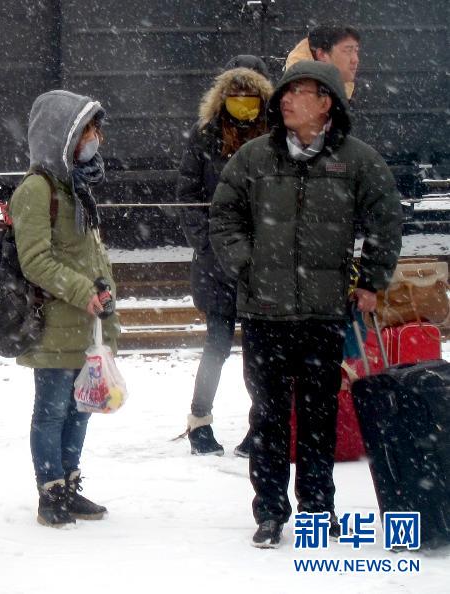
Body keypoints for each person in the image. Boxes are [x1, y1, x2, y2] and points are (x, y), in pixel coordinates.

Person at [209, 61, 402, 548]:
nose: (286, 100)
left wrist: (372, 280)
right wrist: (245, 265)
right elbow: (223, 216)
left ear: (327, 103)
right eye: (286, 92)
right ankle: (270, 512)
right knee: (268, 416)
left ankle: (319, 507)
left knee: (318, 417)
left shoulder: (356, 161)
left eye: (301, 92)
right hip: (264, 313)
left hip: (323, 312)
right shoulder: (254, 158)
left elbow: (386, 219)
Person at [11, 90, 119, 527]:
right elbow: (35, 260)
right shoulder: (38, 190)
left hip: (86, 324)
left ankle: (70, 486)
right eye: (88, 130)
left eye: (97, 129)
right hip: (54, 322)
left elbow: (92, 255)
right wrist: (83, 290)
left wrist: (106, 295)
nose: (97, 139)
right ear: (63, 135)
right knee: (53, 409)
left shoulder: (77, 186)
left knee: (80, 407)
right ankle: (49, 491)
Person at [176, 55, 274, 456]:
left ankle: (260, 426)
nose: (243, 102)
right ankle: (200, 421)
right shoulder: (205, 135)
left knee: (259, 352)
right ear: (223, 96)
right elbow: (188, 196)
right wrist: (206, 243)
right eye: (236, 95)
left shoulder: (275, 136)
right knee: (217, 345)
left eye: (251, 95)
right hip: (217, 263)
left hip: (261, 263)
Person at [285, 25, 361, 101]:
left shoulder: (352, 89)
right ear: (322, 55)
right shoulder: (289, 95)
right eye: (348, 51)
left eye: (356, 51)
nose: (356, 60)